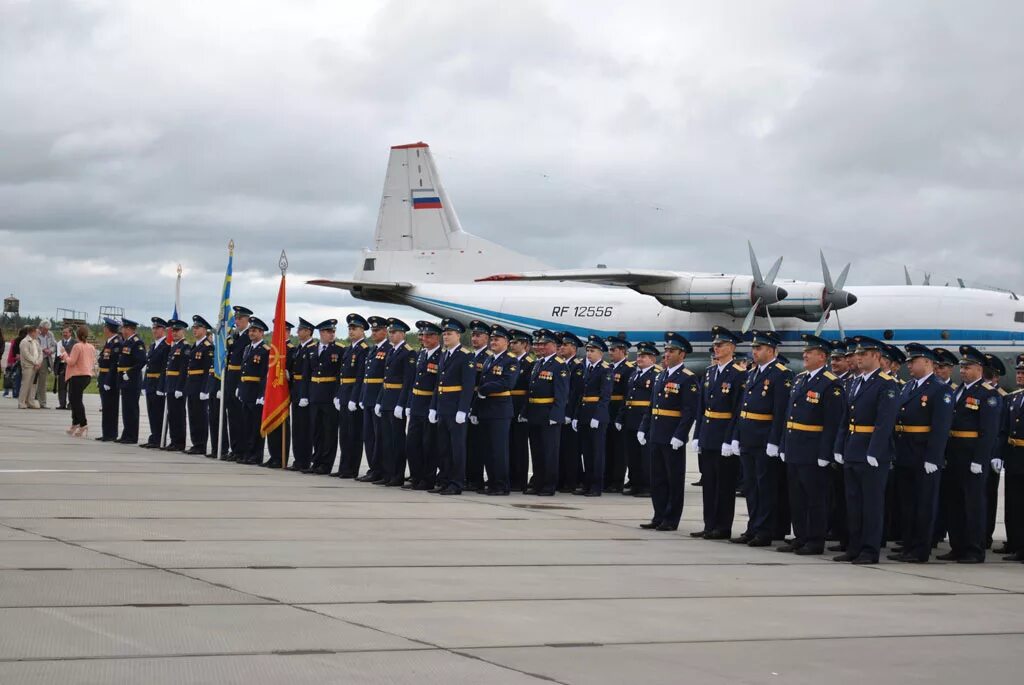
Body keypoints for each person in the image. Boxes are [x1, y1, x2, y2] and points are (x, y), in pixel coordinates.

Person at [832, 336, 900, 565]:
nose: (858, 358)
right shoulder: (854, 382)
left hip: (871, 453)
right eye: (857, 354)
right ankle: (854, 547)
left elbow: (885, 421)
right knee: (853, 503)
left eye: (864, 354)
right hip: (852, 448)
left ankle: (870, 550)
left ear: (877, 357)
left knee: (871, 504)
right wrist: (840, 446)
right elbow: (845, 418)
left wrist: (875, 451)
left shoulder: (886, 384)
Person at [776, 335, 846, 555]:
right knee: (797, 497)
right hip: (795, 447)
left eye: (811, 352)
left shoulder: (831, 383)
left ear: (822, 357)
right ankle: (801, 536)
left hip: (814, 450)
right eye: (805, 351)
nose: (805, 355)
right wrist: (783, 445)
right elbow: (789, 416)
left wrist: (826, 453)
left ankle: (815, 540)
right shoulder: (800, 379)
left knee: (815, 498)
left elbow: (833, 423)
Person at [887, 343, 954, 563]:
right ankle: (909, 544)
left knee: (923, 504)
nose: (909, 365)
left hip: (924, 454)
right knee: (907, 504)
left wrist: (934, 457)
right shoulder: (909, 387)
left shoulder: (939, 389)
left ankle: (920, 549)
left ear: (927, 362)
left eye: (913, 361)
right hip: (906, 452)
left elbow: (941, 426)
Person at [936, 345, 1001, 563]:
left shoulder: (988, 394)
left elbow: (989, 432)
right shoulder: (957, 391)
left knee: (973, 504)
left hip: (972, 454)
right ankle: (958, 545)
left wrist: (979, 460)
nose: (962, 371)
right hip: (954, 453)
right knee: (954, 502)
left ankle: (974, 549)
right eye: (962, 367)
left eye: (968, 367)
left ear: (979, 369)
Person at [730, 330, 793, 546]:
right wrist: (736, 436)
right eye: (754, 348)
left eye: (759, 348)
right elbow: (742, 408)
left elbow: (780, 412)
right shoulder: (752, 373)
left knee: (765, 487)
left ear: (772, 351)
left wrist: (775, 441)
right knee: (751, 487)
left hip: (765, 439)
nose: (754, 352)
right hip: (748, 438)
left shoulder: (781, 374)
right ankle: (753, 527)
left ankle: (765, 530)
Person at [638, 332, 700, 531]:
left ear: (682, 354)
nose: (666, 354)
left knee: (673, 479)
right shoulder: (660, 375)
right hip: (656, 433)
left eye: (671, 351)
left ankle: (671, 519)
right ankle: (659, 515)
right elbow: (652, 406)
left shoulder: (687, 378)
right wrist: (643, 427)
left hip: (672, 435)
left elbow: (689, 411)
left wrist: (680, 435)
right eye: (665, 351)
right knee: (657, 479)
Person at [692, 326, 745, 540]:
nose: (716, 348)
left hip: (724, 435)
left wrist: (731, 439)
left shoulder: (739, 374)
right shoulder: (710, 372)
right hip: (708, 434)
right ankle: (709, 524)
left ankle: (722, 527)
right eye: (715, 345)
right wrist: (697, 435)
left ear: (731, 348)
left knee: (724, 485)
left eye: (720, 345)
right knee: (709, 483)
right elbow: (702, 408)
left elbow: (737, 410)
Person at [430, 317, 476, 495]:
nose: (446, 336)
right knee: (444, 447)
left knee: (457, 448)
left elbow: (468, 385)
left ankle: (457, 483)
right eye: (444, 333)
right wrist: (434, 407)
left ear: (458, 335)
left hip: (456, 408)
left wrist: (463, 409)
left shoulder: (466, 355)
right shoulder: (444, 354)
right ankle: (445, 480)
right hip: (443, 407)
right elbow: (438, 384)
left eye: (449, 333)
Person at [472, 324, 520, 496]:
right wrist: (475, 411)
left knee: (498, 450)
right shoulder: (489, 359)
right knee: (487, 450)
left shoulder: (511, 360)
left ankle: (501, 485)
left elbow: (507, 383)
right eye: (491, 339)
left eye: (497, 339)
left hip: (500, 411)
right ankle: (492, 483)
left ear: (506, 342)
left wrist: (484, 389)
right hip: (485, 409)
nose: (493, 342)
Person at [523, 329, 569, 496]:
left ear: (554, 346)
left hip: (549, 414)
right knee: (537, 451)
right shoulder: (538, 363)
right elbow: (531, 391)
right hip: (535, 412)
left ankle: (549, 485)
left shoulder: (559, 365)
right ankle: (538, 482)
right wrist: (525, 411)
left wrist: (556, 415)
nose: (540, 347)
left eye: (544, 344)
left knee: (549, 451)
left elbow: (561, 394)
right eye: (539, 344)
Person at [375, 317, 415, 486]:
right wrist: (379, 400)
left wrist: (402, 403)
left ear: (402, 334)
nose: (391, 335)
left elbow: (408, 382)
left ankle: (397, 474)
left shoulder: (408, 352)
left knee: (397, 440)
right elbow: (386, 380)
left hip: (397, 400)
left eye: (394, 332)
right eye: (390, 332)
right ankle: (387, 473)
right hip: (387, 399)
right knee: (386, 439)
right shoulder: (392, 351)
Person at [404, 321, 443, 490]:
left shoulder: (441, 355)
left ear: (437, 337)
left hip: (429, 405)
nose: (424, 339)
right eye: (423, 336)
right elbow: (413, 381)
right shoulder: (421, 354)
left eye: (429, 336)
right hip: (417, 404)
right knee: (413, 443)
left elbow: (437, 385)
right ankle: (416, 476)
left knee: (428, 445)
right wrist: (408, 404)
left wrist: (434, 407)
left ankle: (428, 479)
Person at [619, 341, 658, 498]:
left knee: (645, 455)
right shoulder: (635, 374)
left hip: (644, 418)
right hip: (631, 418)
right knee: (632, 454)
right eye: (639, 355)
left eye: (644, 356)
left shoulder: (656, 374)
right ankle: (635, 482)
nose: (640, 358)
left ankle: (647, 485)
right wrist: (621, 417)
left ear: (652, 359)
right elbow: (628, 397)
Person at [574, 335, 612, 497]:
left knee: (597, 453)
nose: (589, 354)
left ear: (601, 353)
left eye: (592, 351)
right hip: (584, 414)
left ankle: (596, 486)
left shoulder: (605, 369)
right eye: (588, 350)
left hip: (597, 416)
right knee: (586, 452)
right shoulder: (585, 368)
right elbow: (579, 394)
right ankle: (587, 483)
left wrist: (598, 416)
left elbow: (605, 396)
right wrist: (576, 415)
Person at [357, 316, 391, 482]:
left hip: (379, 397)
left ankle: (381, 469)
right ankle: (373, 468)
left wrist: (379, 399)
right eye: (373, 330)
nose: (374, 333)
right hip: (368, 397)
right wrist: (362, 396)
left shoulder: (388, 349)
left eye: (377, 330)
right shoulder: (373, 349)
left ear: (385, 331)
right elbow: (366, 376)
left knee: (379, 437)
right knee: (369, 437)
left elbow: (386, 378)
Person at [336, 314, 369, 478]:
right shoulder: (348, 349)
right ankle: (344, 466)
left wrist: (354, 398)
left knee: (354, 434)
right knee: (344, 434)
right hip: (344, 393)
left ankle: (351, 468)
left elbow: (360, 377)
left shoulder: (363, 350)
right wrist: (338, 394)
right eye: (349, 328)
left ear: (362, 330)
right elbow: (342, 375)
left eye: (354, 328)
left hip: (353, 396)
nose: (351, 331)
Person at [308, 319, 342, 474]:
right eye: (329, 332)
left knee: (329, 431)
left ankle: (326, 464)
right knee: (316, 430)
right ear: (321, 333)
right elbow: (309, 373)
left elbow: (340, 375)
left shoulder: (340, 350)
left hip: (329, 395)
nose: (332, 334)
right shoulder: (312, 349)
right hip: (315, 394)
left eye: (333, 332)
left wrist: (337, 395)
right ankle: (316, 461)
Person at [983, 354, 1008, 551]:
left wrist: (997, 454)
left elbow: (1001, 430)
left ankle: (985, 536)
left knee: (989, 497)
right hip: (978, 452)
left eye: (988, 375)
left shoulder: (1001, 397)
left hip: (991, 454)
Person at [1000, 354, 1024, 561]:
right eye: (1018, 372)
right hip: (1015, 456)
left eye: (1023, 373)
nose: (1019, 376)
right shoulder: (1015, 398)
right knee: (1013, 504)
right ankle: (1015, 543)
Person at [236, 317, 269, 465]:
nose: (251, 333)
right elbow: (243, 370)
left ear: (262, 333)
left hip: (256, 392)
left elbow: (264, 374)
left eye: (255, 331)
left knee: (256, 427)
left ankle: (256, 455)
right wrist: (239, 386)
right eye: (250, 330)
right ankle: (247, 453)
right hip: (246, 390)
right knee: (246, 425)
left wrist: (262, 394)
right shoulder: (247, 348)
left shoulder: (265, 350)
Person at [222, 306, 253, 460]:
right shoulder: (232, 336)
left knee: (242, 419)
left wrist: (240, 385)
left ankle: (243, 450)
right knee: (232, 417)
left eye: (241, 318)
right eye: (236, 318)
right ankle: (235, 449)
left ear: (248, 320)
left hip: (241, 380)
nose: (237, 321)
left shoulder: (249, 337)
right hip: (230, 379)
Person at [466, 319, 493, 492]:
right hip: (467, 404)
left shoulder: (488, 357)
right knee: (468, 445)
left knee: (479, 446)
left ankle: (477, 479)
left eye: (479, 335)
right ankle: (469, 477)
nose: (474, 339)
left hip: (481, 404)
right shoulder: (470, 355)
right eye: (473, 335)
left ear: (487, 338)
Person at [603, 336, 633, 493]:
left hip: (618, 410)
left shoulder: (628, 369)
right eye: (610, 350)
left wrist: (621, 415)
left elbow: (628, 395)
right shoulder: (609, 367)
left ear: (623, 351)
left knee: (619, 449)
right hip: (607, 410)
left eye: (613, 350)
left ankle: (617, 480)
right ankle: (606, 478)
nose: (611, 352)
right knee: (607, 447)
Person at [557, 331, 585, 492]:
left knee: (571, 450)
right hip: (561, 411)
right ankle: (562, 479)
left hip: (570, 412)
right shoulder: (562, 364)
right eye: (561, 345)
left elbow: (576, 393)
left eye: (565, 345)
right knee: (561, 448)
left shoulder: (577, 366)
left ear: (573, 348)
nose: (561, 347)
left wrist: (571, 414)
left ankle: (573, 480)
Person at [289, 318, 318, 471]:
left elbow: (309, 374)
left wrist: (305, 394)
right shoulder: (298, 349)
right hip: (296, 389)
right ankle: (298, 459)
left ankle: (305, 460)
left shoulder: (313, 349)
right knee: (297, 428)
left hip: (305, 391)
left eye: (300, 330)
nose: (298, 332)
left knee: (306, 428)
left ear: (308, 331)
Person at [184, 316, 215, 455]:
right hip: (192, 386)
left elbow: (208, 370)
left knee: (200, 416)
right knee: (193, 416)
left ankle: (201, 444)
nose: (195, 330)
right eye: (194, 328)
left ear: (204, 329)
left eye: (197, 328)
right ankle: (195, 442)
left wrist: (205, 389)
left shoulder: (208, 347)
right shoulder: (195, 346)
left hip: (200, 387)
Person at [508, 329, 534, 492]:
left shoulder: (530, 363)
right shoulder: (509, 361)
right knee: (508, 444)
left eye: (516, 342)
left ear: (525, 344)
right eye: (511, 342)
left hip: (520, 405)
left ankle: (520, 480)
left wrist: (524, 410)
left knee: (519, 445)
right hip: (507, 404)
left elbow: (529, 391)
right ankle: (509, 477)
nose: (512, 345)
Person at [264, 321, 293, 469]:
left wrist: (290, 374)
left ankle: (281, 457)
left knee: (282, 426)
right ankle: (273, 455)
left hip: (283, 392)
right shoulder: (274, 349)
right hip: (273, 390)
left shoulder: (291, 349)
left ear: (287, 332)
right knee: (272, 425)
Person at [115, 319, 147, 445]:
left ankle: (132, 436)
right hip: (124, 378)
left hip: (132, 380)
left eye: (123, 328)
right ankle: (126, 433)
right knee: (126, 408)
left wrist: (129, 373)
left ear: (129, 329)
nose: (122, 331)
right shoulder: (126, 342)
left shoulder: (137, 343)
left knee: (132, 408)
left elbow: (141, 361)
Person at [139, 319, 170, 449]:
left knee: (159, 412)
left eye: (157, 328)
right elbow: (148, 366)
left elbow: (164, 368)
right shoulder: (153, 345)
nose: (155, 330)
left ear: (163, 330)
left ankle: (159, 438)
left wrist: (161, 386)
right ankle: (154, 437)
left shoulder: (166, 346)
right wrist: (144, 384)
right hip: (150, 382)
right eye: (153, 328)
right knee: (151, 412)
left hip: (158, 383)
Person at [162, 319, 190, 451]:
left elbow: (183, 370)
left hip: (178, 386)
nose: (174, 333)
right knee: (172, 414)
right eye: (173, 331)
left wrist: (180, 388)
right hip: (170, 384)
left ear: (183, 331)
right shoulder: (174, 347)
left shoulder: (185, 347)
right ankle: (174, 440)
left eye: (177, 331)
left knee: (178, 415)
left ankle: (179, 442)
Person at [63, 325, 95, 437]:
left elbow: (71, 362)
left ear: (77, 335)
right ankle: (75, 423)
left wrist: (64, 355)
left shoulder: (77, 346)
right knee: (74, 399)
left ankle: (83, 424)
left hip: (77, 376)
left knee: (75, 401)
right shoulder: (91, 347)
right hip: (87, 376)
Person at [96, 318, 122, 441]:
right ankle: (106, 433)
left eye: (105, 327)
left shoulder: (116, 343)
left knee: (111, 407)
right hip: (103, 376)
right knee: (105, 407)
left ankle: (111, 433)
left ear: (108, 329)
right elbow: (102, 359)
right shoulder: (109, 342)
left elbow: (114, 364)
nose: (103, 329)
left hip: (110, 379)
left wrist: (108, 380)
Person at [17, 325, 43, 409]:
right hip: (28, 366)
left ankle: (30, 402)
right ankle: (21, 402)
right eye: (36, 332)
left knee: (33, 385)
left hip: (36, 366)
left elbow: (40, 352)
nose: (38, 333)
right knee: (25, 384)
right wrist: (35, 362)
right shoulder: (24, 342)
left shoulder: (36, 341)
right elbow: (26, 354)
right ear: (32, 332)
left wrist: (39, 362)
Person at [35, 319, 57, 408]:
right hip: (35, 359)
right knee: (31, 381)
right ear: (40, 327)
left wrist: (50, 351)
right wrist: (43, 349)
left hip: (45, 360)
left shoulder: (50, 334)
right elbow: (33, 345)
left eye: (48, 329)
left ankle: (42, 403)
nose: (46, 331)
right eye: (45, 329)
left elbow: (54, 346)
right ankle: (29, 400)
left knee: (43, 382)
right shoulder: (35, 333)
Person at [55, 325, 75, 409]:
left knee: (71, 387)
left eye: (66, 332)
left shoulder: (75, 343)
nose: (64, 334)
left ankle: (71, 404)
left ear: (70, 333)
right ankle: (62, 404)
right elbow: (58, 356)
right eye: (63, 332)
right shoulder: (59, 343)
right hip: (62, 366)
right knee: (61, 386)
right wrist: (55, 369)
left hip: (71, 366)